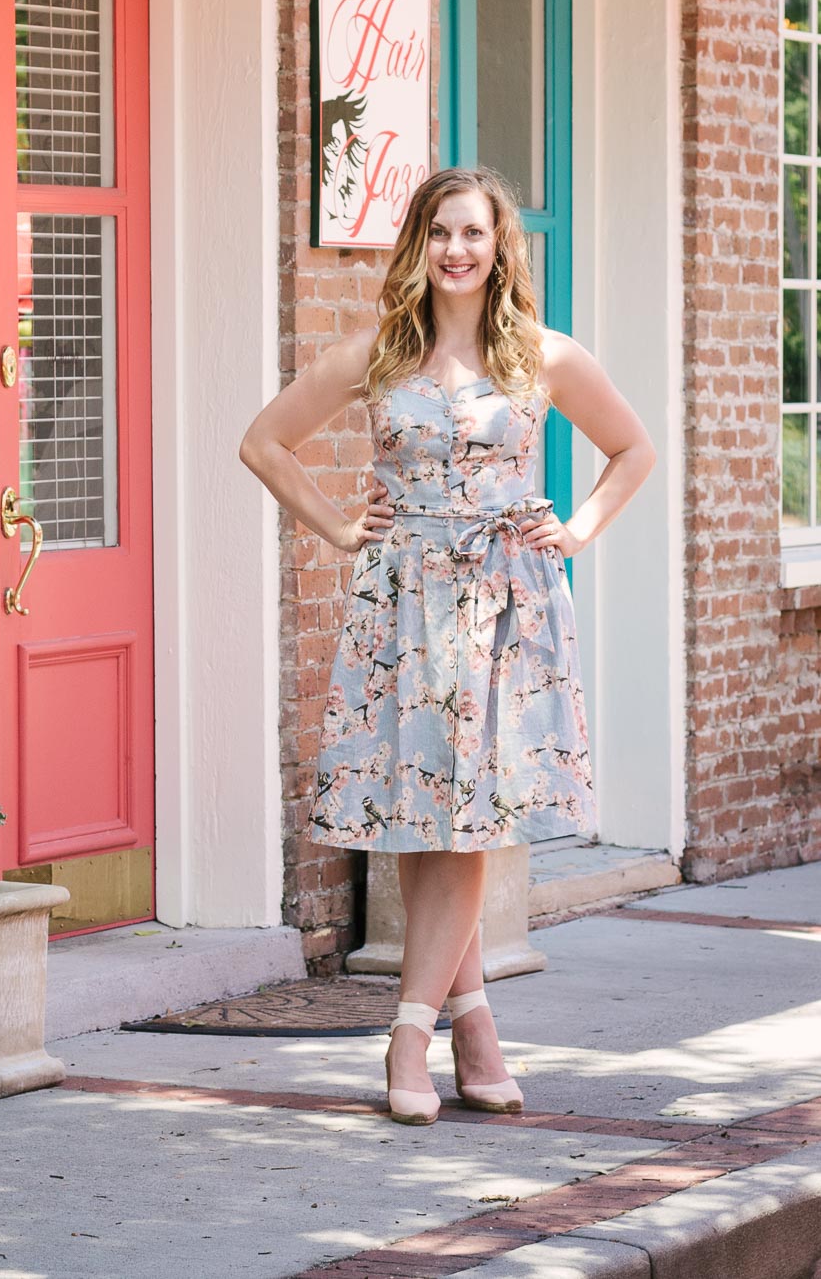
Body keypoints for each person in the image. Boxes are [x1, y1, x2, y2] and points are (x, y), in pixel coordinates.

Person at [239, 166, 656, 1126]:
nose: (455, 251)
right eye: (438, 234)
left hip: (507, 606)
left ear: (499, 246)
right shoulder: (378, 359)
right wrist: (342, 530)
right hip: (404, 604)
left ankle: (410, 1034)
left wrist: (579, 530)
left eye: (471, 234)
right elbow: (265, 442)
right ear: (417, 248)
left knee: (468, 817)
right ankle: (471, 1029)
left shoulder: (544, 357)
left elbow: (632, 448)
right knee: (424, 812)